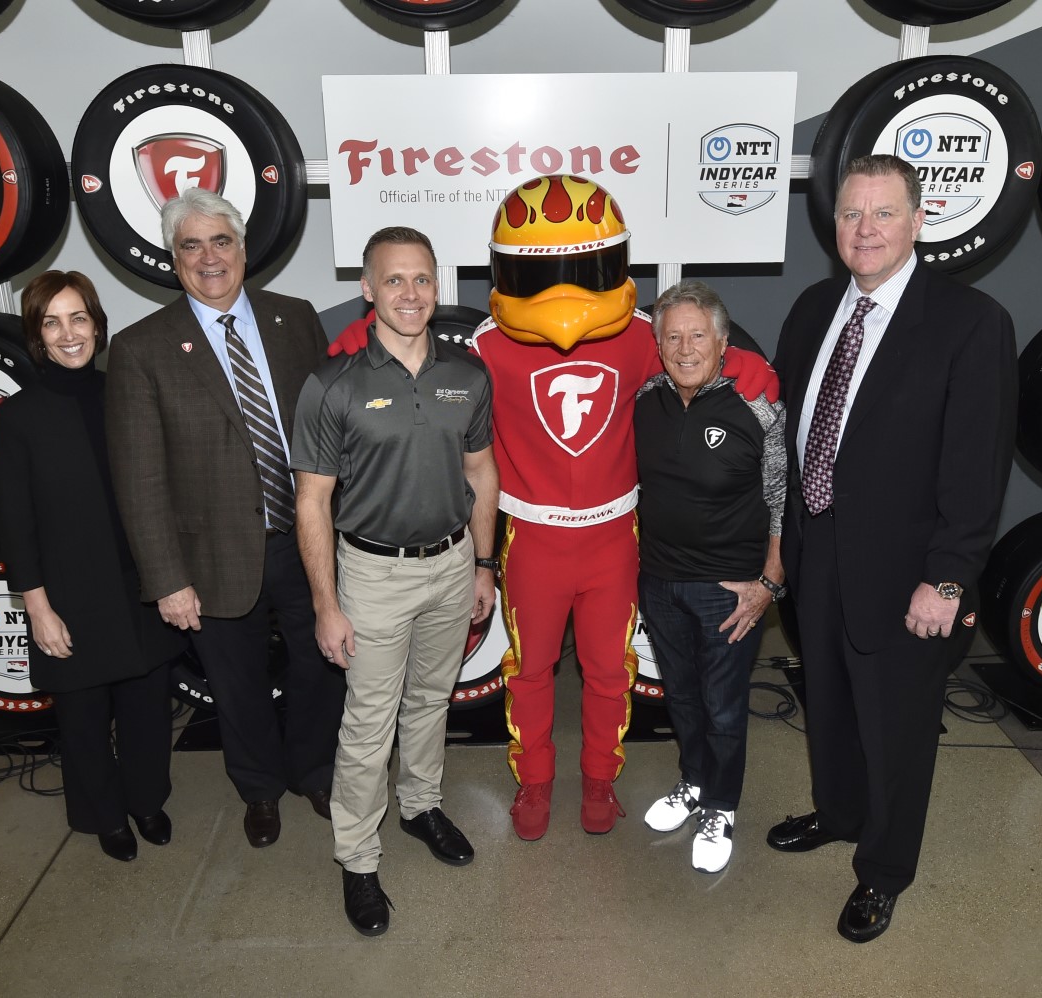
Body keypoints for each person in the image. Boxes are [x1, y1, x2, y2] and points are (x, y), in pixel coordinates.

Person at [327, 176, 776, 842]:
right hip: (532, 538)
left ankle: (600, 778)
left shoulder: (643, 336)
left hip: (615, 538)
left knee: (608, 670)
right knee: (529, 670)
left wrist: (753, 376)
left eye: (581, 268)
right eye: (543, 271)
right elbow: (410, 351)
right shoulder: (485, 343)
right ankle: (534, 782)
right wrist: (348, 350)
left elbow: (708, 353)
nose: (564, 287)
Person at [769, 154, 1017, 942]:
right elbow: (797, 435)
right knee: (832, 703)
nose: (864, 230)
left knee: (899, 727)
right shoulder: (813, 309)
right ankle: (839, 814)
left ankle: (883, 871)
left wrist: (947, 580)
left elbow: (977, 467)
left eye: (882, 214)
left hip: (909, 571)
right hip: (818, 547)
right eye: (850, 215)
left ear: (918, 221)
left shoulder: (970, 322)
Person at [105, 186, 346, 849]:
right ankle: (260, 789)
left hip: (307, 540)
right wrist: (167, 579)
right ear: (173, 258)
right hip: (210, 558)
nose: (210, 258)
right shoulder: (141, 348)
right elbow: (139, 478)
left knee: (321, 664)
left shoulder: (294, 318)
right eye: (192, 245)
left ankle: (315, 769)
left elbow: (328, 433)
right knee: (237, 685)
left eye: (222, 241)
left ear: (243, 248)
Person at [292, 226, 498, 937]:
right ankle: (356, 857)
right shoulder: (332, 384)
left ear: (437, 287)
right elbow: (312, 501)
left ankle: (421, 806)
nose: (409, 294)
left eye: (421, 280)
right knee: (368, 723)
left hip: (450, 566)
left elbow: (481, 474)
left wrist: (482, 562)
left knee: (431, 701)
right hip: (373, 575)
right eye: (394, 280)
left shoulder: (466, 375)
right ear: (367, 289)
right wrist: (326, 602)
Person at [0, 271, 182, 862]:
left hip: (139, 585)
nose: (68, 333)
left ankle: (147, 801)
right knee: (83, 720)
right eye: (52, 322)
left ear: (97, 326)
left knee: (147, 710)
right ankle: (105, 816)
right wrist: (38, 608)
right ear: (36, 335)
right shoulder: (18, 416)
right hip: (69, 595)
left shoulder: (125, 393)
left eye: (78, 318)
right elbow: (15, 522)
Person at [634, 280, 786, 875]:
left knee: (724, 708)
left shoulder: (755, 404)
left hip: (730, 588)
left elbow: (782, 495)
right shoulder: (646, 398)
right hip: (661, 581)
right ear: (658, 343)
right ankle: (694, 783)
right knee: (683, 698)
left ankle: (721, 806)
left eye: (698, 335)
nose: (686, 347)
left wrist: (769, 583)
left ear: (723, 342)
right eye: (672, 336)